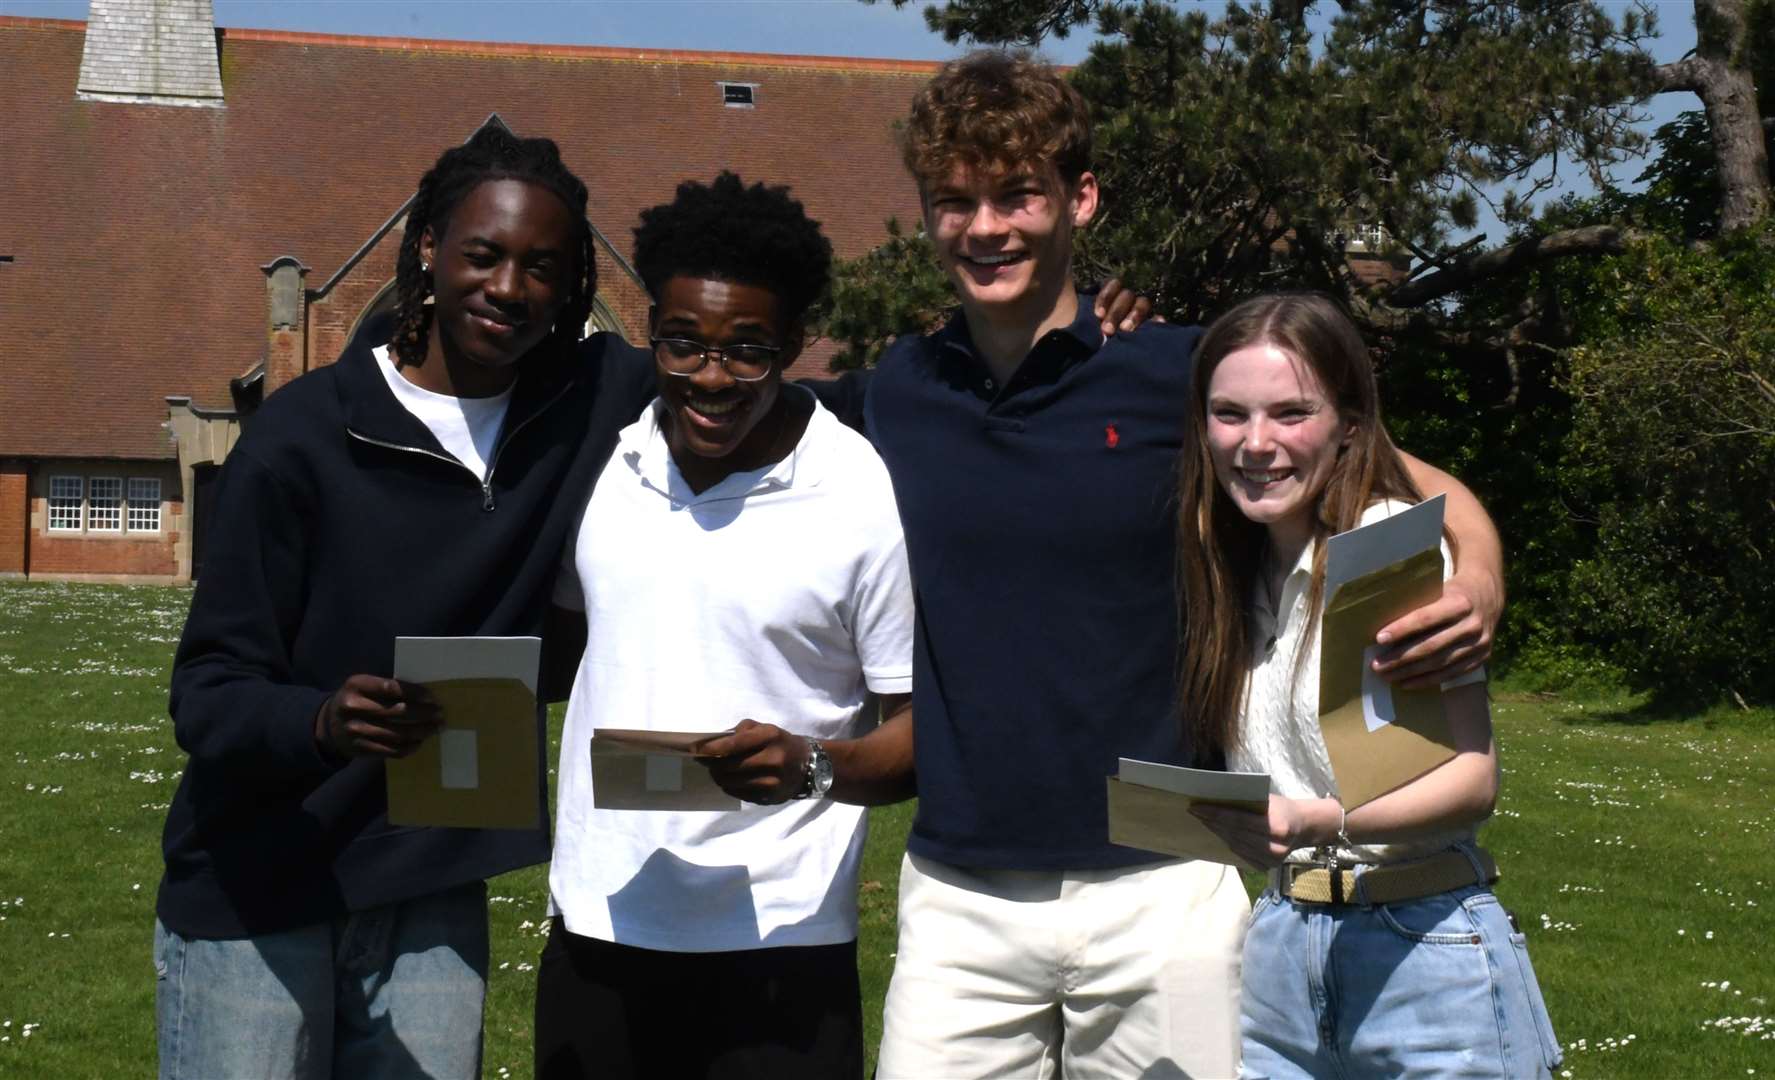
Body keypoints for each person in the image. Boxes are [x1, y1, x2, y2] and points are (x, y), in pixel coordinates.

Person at [865, 51, 1506, 1079]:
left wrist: (1477, 576)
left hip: (1176, 879)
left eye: (1017, 195)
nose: (985, 227)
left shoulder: (1181, 371)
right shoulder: (899, 389)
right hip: (961, 897)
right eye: (954, 201)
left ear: (1080, 198)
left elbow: (1402, 470)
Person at [154, 126, 655, 1079]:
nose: (509, 288)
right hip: (261, 883)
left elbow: (749, 378)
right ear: (427, 246)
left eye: (541, 267)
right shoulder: (302, 439)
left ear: (573, 284)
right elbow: (207, 690)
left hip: (432, 887)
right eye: (483, 254)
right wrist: (321, 718)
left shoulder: (590, 404)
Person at [533, 172, 917, 1080]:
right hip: (601, 922)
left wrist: (813, 766)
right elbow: (562, 648)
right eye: (683, 346)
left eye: (748, 351)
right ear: (651, 336)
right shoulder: (609, 464)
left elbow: (919, 731)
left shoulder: (858, 491)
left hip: (782, 942)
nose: (710, 378)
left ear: (791, 344)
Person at [1181, 293, 1562, 1079]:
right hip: (1281, 950)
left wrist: (1320, 817)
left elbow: (1469, 778)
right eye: (1230, 414)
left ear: (1348, 424)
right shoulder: (1230, 566)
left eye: (1291, 413)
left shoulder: (1382, 551)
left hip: (1419, 948)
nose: (1256, 443)